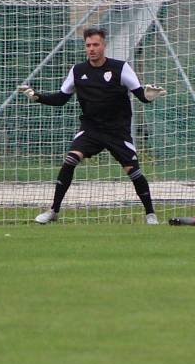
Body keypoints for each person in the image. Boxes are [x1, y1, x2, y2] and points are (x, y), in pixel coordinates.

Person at [18, 27, 167, 225]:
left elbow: (140, 94)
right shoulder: (78, 71)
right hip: (91, 129)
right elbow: (61, 98)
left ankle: (150, 214)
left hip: (117, 130)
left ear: (103, 46)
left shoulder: (120, 68)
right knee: (70, 160)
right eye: (88, 45)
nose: (92, 49)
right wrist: (38, 97)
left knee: (133, 171)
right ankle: (53, 210)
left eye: (95, 44)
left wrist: (148, 96)